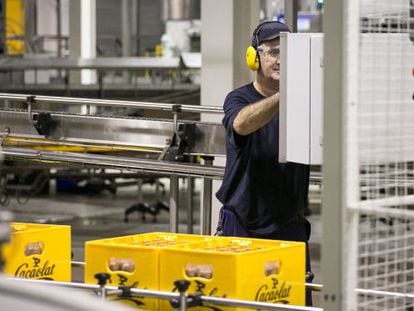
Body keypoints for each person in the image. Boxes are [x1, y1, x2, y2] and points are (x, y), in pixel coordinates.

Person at [215, 20, 312, 306]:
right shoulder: (239, 98)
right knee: (241, 301)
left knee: (293, 301)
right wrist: (286, 96)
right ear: (254, 58)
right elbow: (242, 124)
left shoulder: (306, 100)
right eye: (272, 52)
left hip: (289, 221)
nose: (281, 60)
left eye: (287, 53)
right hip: (244, 221)